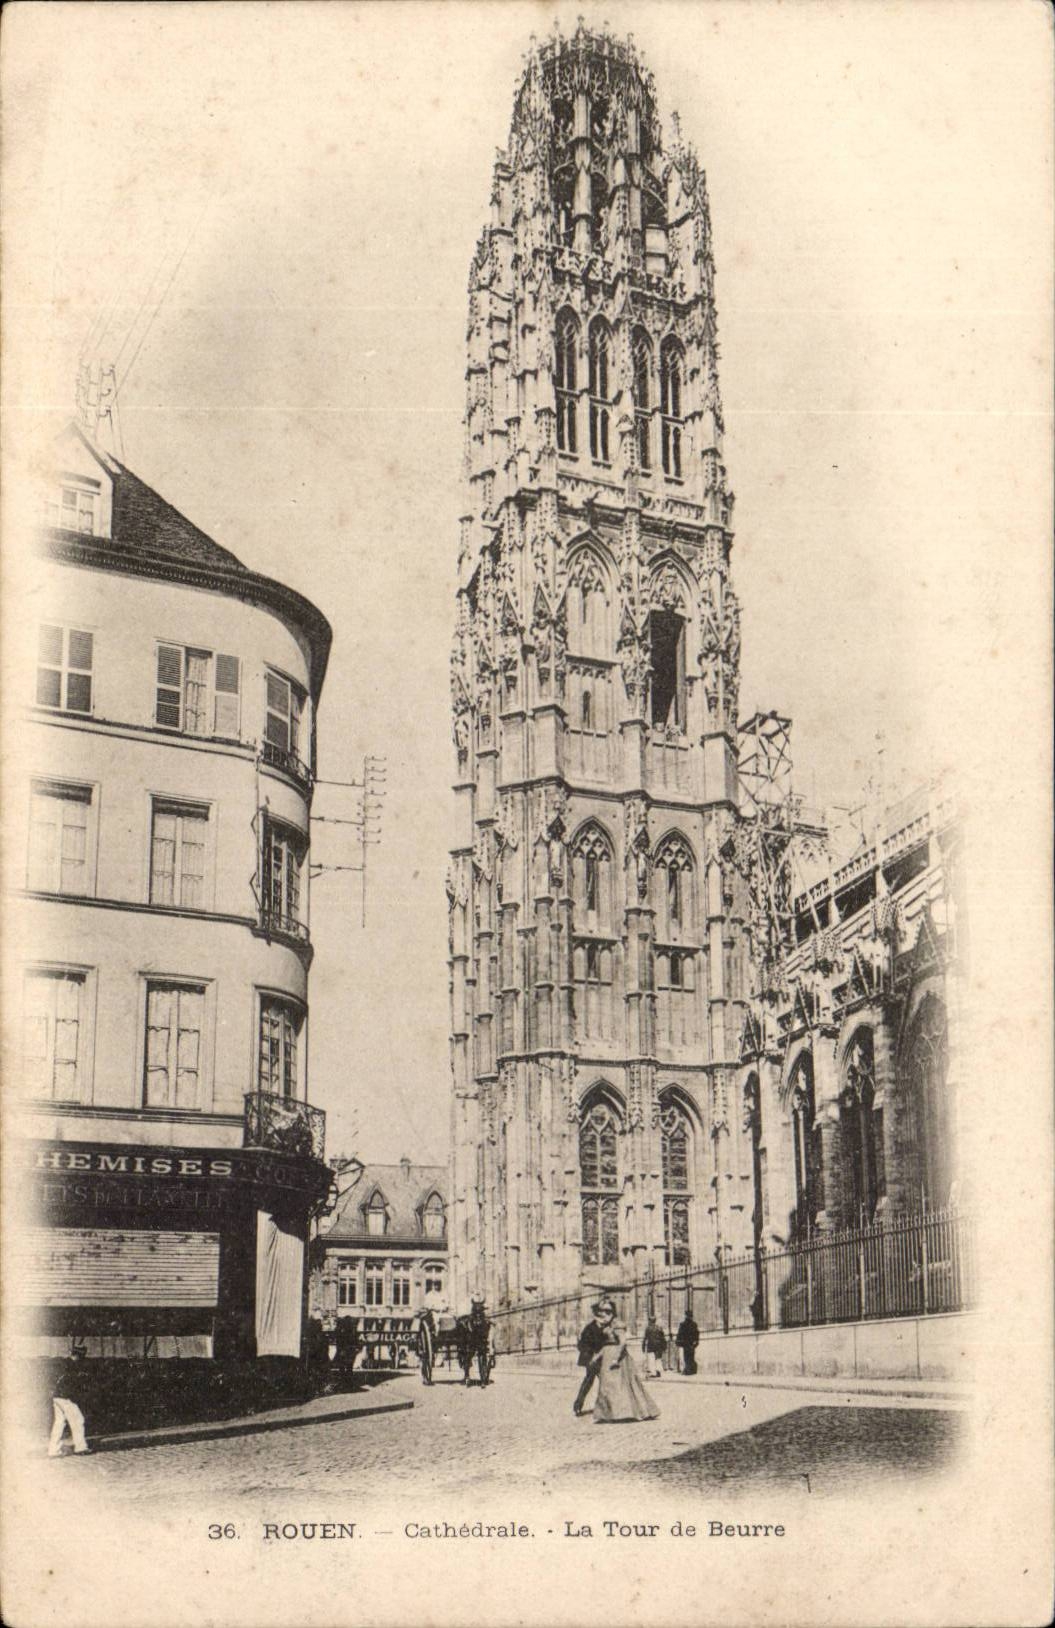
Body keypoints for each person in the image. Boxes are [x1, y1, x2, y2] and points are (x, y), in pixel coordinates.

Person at [594, 1319, 660, 1424]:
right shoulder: (605, 1325)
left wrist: (616, 1358)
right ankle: (608, 1414)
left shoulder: (617, 1325)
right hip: (607, 1359)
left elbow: (622, 1343)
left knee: (619, 1385)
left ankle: (623, 1413)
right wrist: (598, 1356)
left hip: (617, 1360)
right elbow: (606, 1345)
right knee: (606, 1386)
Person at [49, 1342, 92, 1457]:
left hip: (56, 1397)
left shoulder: (62, 1363)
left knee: (59, 1423)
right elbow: (72, 1386)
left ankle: (53, 1450)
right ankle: (80, 1447)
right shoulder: (74, 1366)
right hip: (66, 1397)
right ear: (78, 1355)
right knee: (78, 1420)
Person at [573, 1299, 615, 1415]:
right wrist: (590, 1356)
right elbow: (582, 1345)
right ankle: (578, 1405)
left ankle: (609, 1407)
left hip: (601, 1359)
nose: (604, 1318)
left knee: (606, 1382)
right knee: (588, 1382)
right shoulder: (589, 1328)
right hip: (591, 1360)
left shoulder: (605, 1327)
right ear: (597, 1316)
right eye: (601, 1314)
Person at [675, 1310, 699, 1375]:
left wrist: (678, 1341)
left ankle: (688, 1370)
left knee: (686, 1356)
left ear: (686, 1316)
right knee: (691, 1356)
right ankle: (691, 1370)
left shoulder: (683, 1324)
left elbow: (680, 1334)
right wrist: (696, 1342)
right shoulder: (694, 1324)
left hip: (685, 1343)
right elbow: (697, 1334)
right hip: (691, 1343)